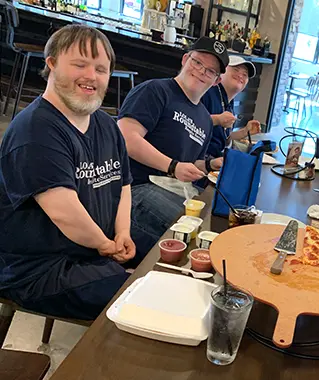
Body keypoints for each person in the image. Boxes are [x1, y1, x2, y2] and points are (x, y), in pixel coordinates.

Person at [0, 25, 134, 320]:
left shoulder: (106, 125)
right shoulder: (35, 130)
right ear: (51, 64)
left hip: (91, 248)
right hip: (40, 268)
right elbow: (64, 213)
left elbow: (123, 184)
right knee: (138, 301)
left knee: (169, 256)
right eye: (79, 65)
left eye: (101, 69)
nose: (91, 76)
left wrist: (122, 232)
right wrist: (106, 246)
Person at [117, 37, 228, 262]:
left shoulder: (205, 119)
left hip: (173, 190)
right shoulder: (155, 90)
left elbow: (189, 162)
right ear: (185, 59)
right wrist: (172, 166)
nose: (201, 72)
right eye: (197, 63)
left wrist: (209, 165)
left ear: (216, 81)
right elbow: (126, 137)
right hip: (135, 189)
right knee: (195, 235)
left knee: (213, 225)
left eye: (210, 71)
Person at [202, 55, 262, 159]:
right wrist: (217, 119)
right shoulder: (208, 92)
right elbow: (191, 122)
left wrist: (245, 131)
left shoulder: (228, 101)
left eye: (245, 74)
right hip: (200, 160)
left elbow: (224, 138)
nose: (241, 75)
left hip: (216, 158)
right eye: (236, 69)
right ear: (221, 72)